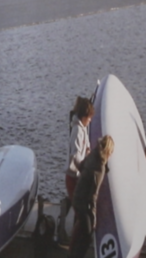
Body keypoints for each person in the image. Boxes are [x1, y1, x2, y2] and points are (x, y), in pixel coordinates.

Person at [68, 135, 114, 258]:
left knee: (81, 230)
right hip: (83, 202)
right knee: (88, 234)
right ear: (108, 152)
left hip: (77, 196)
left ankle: (72, 255)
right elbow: (93, 195)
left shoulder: (94, 154)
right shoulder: (100, 168)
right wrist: (93, 217)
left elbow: (82, 165)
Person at [59, 96, 93, 243]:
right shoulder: (77, 131)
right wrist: (85, 168)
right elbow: (75, 156)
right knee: (80, 211)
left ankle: (73, 236)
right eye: (89, 117)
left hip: (78, 176)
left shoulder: (83, 129)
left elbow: (86, 148)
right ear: (84, 116)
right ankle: (74, 241)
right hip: (73, 176)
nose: (90, 120)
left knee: (79, 207)